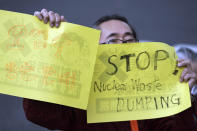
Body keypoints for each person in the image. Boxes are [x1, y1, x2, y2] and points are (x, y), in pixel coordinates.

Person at [23, 9, 197, 131]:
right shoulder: (81, 97)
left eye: (129, 40)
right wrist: (48, 48)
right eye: (112, 41)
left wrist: (182, 98)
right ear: (94, 50)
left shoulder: (158, 97)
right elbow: (38, 112)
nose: (123, 45)